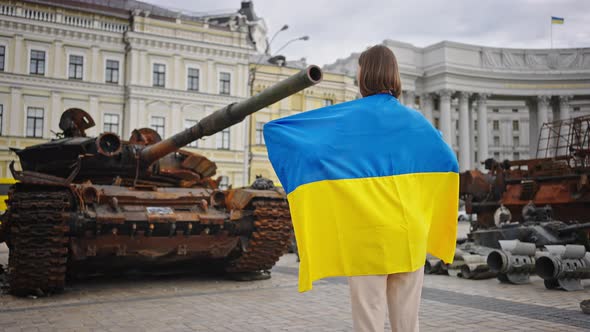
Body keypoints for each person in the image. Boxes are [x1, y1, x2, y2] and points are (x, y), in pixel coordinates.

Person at [264, 45, 459, 332]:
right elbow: (448, 161)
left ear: (364, 74)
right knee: (408, 321)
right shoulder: (417, 121)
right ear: (394, 74)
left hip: (369, 234)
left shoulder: (347, 118)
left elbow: (281, 132)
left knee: (369, 318)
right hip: (410, 233)